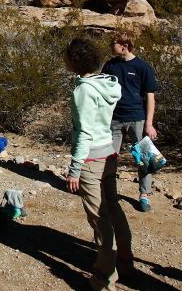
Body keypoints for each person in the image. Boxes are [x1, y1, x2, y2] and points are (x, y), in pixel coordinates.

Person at [64, 38, 133, 291]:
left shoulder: (83, 90)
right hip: (109, 154)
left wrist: (75, 169)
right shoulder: (107, 83)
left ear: (74, 61)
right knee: (114, 208)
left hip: (92, 158)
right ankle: (125, 264)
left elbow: (83, 132)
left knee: (99, 218)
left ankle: (104, 280)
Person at [102, 32, 159, 212]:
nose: (111, 45)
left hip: (137, 118)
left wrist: (149, 124)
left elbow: (150, 97)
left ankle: (144, 195)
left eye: (114, 43)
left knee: (144, 158)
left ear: (124, 46)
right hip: (114, 119)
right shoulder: (110, 65)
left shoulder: (143, 67)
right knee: (110, 157)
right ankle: (109, 193)